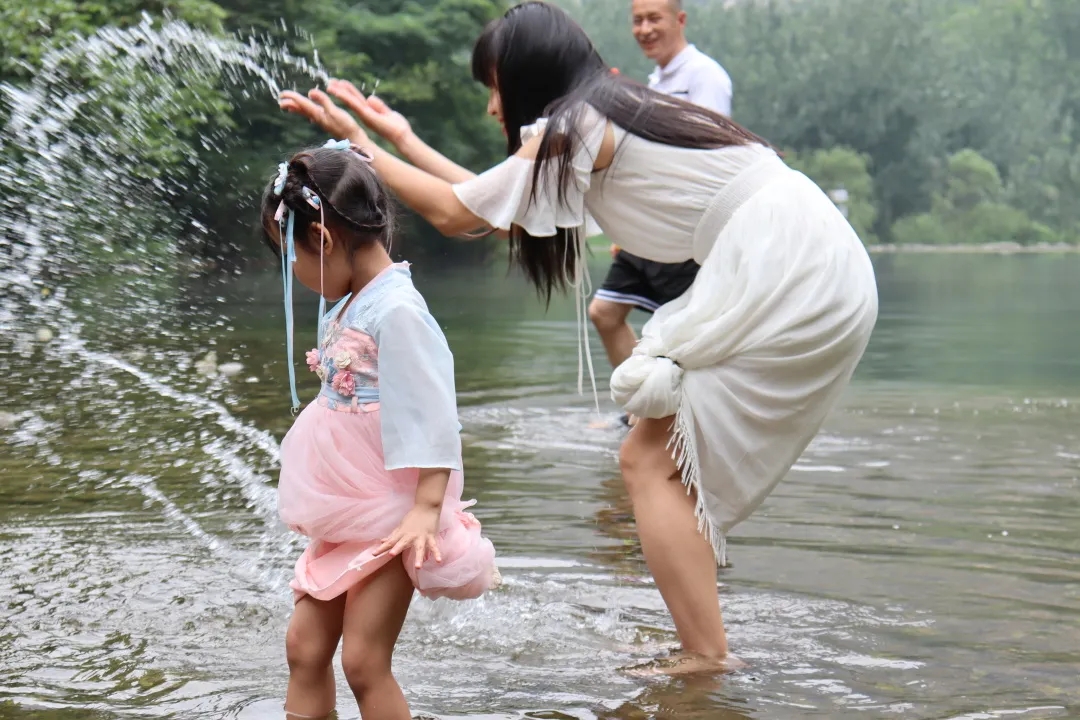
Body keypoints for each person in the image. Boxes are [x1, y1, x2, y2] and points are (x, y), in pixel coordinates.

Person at [279, 1, 878, 672]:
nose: (491, 109)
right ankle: (702, 646)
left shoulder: (582, 126)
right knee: (655, 456)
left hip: (790, 262)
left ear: (529, 76)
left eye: (496, 89)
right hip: (800, 251)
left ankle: (705, 655)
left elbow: (455, 212)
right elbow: (487, 204)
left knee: (649, 459)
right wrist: (397, 141)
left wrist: (358, 157)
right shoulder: (599, 115)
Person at [261, 141, 500, 718]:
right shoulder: (353, 300)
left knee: (364, 660)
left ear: (322, 240)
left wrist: (425, 506)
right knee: (305, 646)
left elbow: (434, 412)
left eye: (289, 255)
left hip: (394, 509)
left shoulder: (397, 310)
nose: (292, 272)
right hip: (346, 504)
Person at [589, 0, 735, 403]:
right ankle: (641, 410)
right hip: (650, 226)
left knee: (684, 337)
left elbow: (706, 155)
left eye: (655, 19)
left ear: (680, 20)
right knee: (605, 313)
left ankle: (682, 418)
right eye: (638, 21)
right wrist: (632, 225)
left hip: (683, 231)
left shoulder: (704, 76)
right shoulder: (657, 82)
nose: (645, 29)